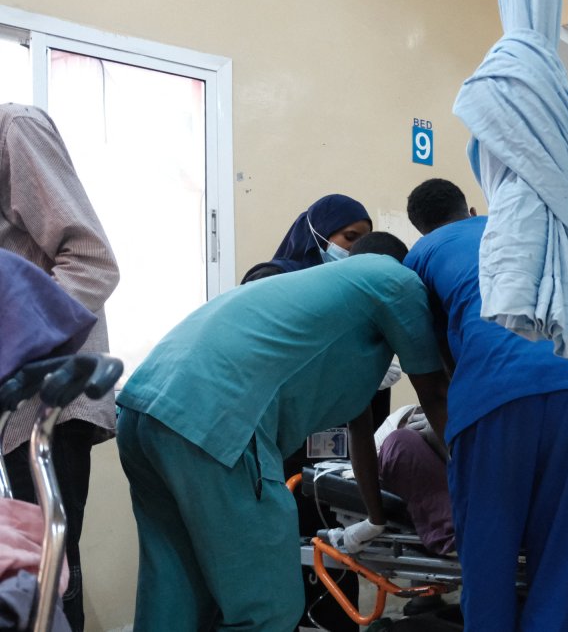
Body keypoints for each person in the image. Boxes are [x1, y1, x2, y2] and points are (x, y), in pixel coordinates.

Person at [116, 232, 448, 631]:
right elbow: (436, 396)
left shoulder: (331, 305)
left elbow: (360, 430)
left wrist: (374, 520)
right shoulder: (396, 279)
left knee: (176, 594)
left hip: (143, 410)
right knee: (268, 607)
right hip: (220, 422)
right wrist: (477, 475)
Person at [404, 178, 568, 631]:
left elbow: (436, 372)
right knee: (563, 556)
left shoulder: (420, 257)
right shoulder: (520, 230)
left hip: (496, 397)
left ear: (420, 230)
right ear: (471, 207)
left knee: (488, 556)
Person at [240, 193, 390, 632]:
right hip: (281, 442)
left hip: (339, 450)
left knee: (338, 546)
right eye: (349, 238)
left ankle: (334, 622)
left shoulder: (358, 297)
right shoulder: (273, 280)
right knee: (284, 547)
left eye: (364, 242)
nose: (353, 251)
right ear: (316, 232)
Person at [0, 103, 120, 632]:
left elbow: (91, 260)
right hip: (9, 408)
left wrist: (14, 350)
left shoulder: (12, 127)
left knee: (45, 576)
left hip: (43, 402)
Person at [241, 193, 373, 282]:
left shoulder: (349, 286)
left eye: (365, 241)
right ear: (320, 234)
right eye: (350, 236)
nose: (359, 247)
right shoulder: (271, 277)